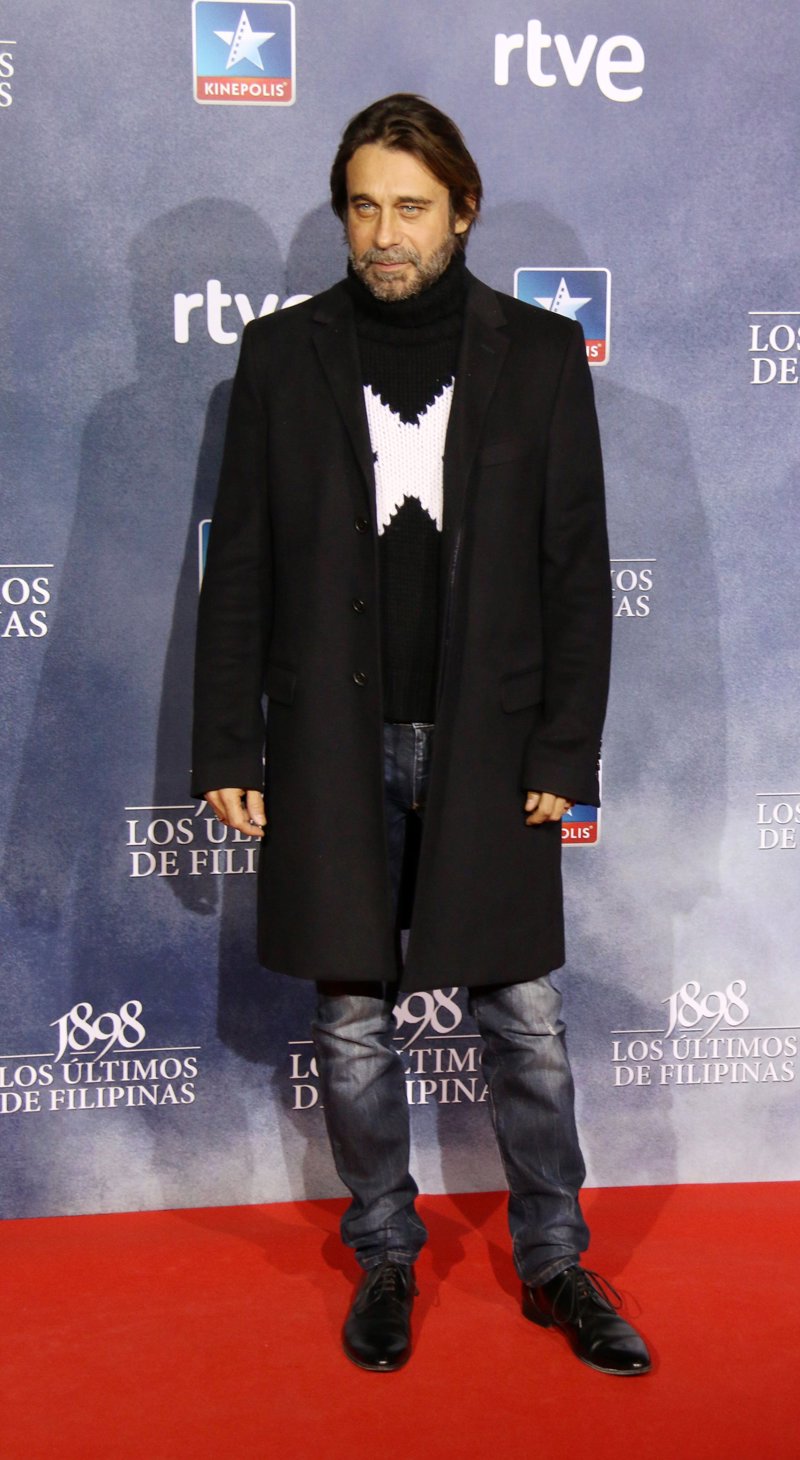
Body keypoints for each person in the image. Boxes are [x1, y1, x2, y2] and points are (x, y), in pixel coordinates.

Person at [193, 94, 650, 1377]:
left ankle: (553, 1259)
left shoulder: (539, 355)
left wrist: (562, 751)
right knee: (351, 1018)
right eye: (362, 207)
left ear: (461, 211)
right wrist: (227, 744)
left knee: (525, 1018)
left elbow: (574, 574)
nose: (382, 234)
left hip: (489, 749)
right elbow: (240, 572)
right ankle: (384, 1250)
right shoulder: (281, 358)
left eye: (409, 207)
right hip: (330, 745)